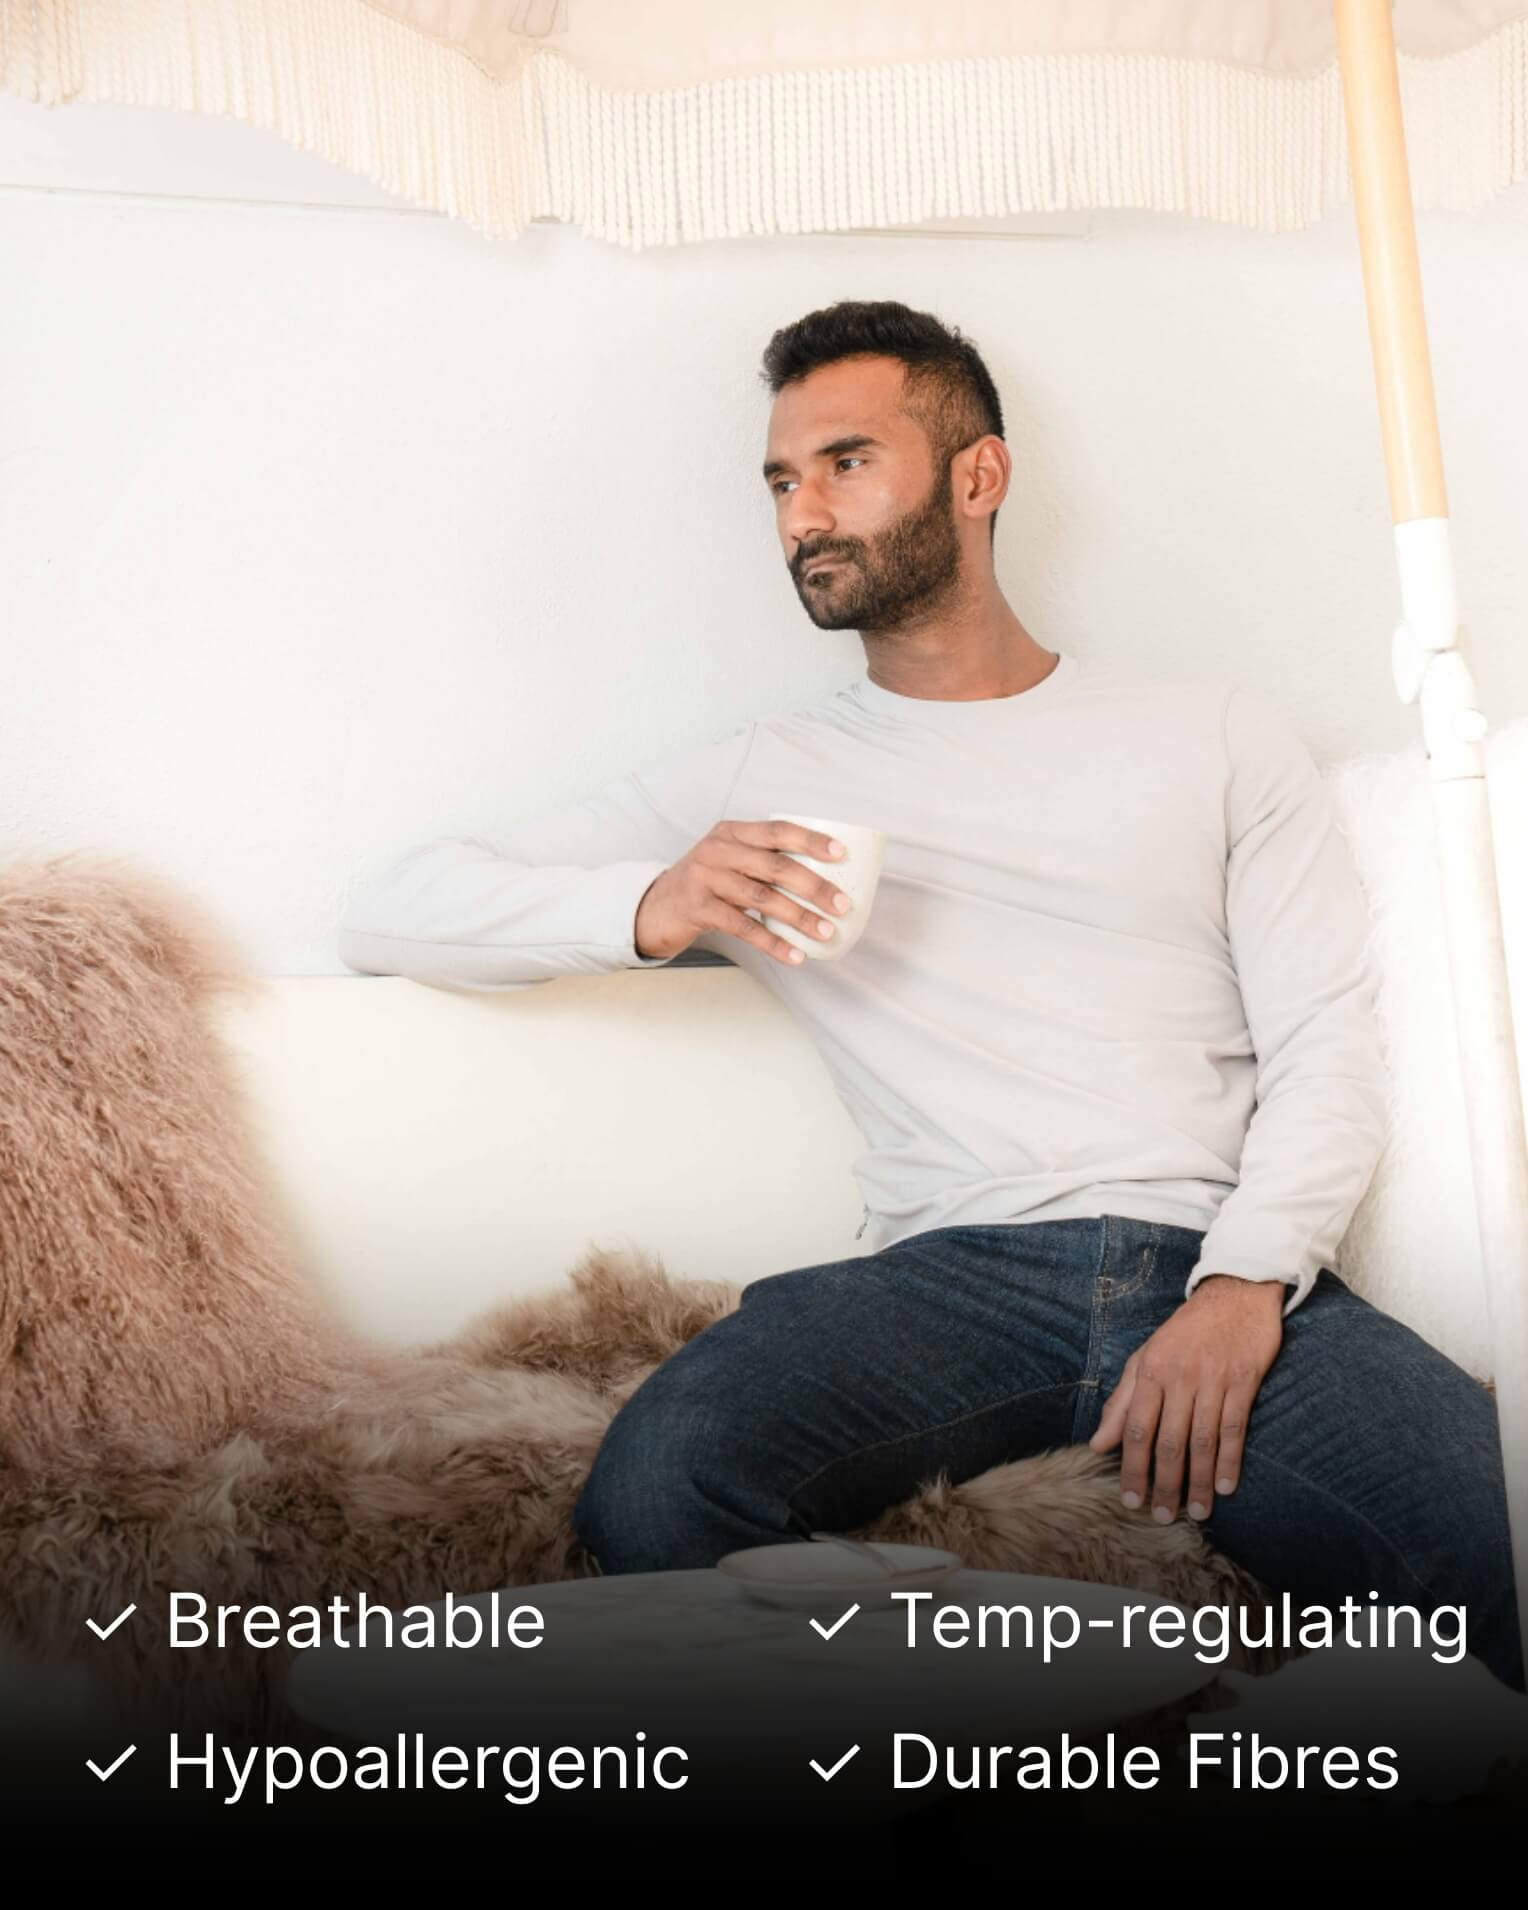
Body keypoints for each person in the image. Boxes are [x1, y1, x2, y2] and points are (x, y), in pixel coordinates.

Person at [337, 299, 1522, 1691]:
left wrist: (1247, 1282)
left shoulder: (1213, 735)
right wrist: (653, 904)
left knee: (1498, 1538)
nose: (803, 513)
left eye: (846, 462)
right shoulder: (766, 775)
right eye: (781, 481)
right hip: (949, 1280)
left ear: (978, 475)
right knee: (657, 1489)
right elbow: (390, 907)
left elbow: (1327, 1045)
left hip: (1210, 1252)